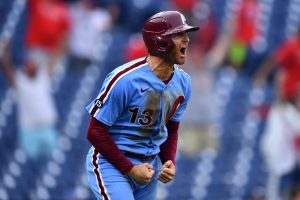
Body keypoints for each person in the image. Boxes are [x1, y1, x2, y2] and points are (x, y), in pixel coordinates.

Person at [85, 11, 199, 200]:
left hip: (148, 168)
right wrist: (129, 168)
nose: (187, 40)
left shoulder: (183, 83)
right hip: (111, 164)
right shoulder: (124, 79)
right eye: (179, 34)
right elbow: (95, 132)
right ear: (160, 41)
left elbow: (171, 128)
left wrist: (169, 161)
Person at [1, 40, 58, 160]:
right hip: (29, 132)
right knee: (28, 161)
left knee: (51, 160)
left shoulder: (43, 78)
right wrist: (5, 53)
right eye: (28, 64)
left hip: (47, 128)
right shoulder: (20, 82)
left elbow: (53, 59)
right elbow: (8, 70)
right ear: (24, 67)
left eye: (33, 64)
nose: (31, 66)